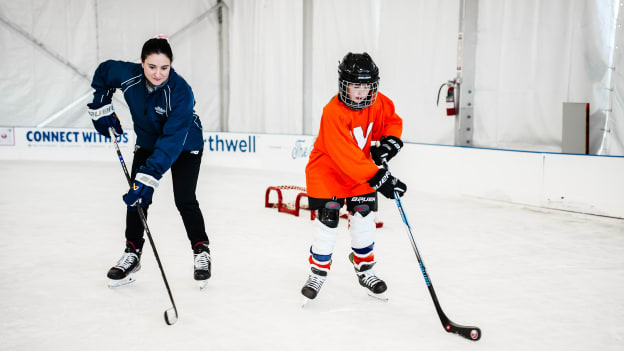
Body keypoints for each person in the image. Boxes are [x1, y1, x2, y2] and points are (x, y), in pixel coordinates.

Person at [86, 35, 211, 289]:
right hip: (147, 141)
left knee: (184, 198)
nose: (158, 73)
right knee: (138, 198)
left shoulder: (181, 93)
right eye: (152, 66)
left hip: (185, 144)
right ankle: (132, 253)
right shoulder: (128, 75)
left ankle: (201, 251)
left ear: (171, 65)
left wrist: (150, 175)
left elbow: (172, 141)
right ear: (142, 63)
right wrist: (101, 103)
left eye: (164, 68)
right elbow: (104, 72)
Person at [301, 52, 407, 302]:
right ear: (343, 85)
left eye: (366, 86)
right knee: (328, 221)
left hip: (360, 171)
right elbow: (346, 157)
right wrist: (383, 180)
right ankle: (318, 272)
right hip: (328, 173)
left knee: (364, 218)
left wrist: (390, 143)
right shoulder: (333, 112)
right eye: (354, 86)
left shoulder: (379, 103)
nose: (360, 93)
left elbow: (392, 121)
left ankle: (365, 269)